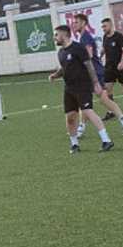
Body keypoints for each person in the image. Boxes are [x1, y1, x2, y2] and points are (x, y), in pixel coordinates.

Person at [49, 25, 115, 153]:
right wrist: (55, 75)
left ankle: (106, 140)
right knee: (70, 117)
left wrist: (95, 83)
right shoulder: (61, 52)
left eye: (56, 35)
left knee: (88, 111)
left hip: (83, 86)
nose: (54, 37)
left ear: (64, 35)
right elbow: (64, 68)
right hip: (69, 88)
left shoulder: (78, 48)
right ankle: (74, 145)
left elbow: (89, 65)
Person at [73, 13, 123, 136]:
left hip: (94, 73)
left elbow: (88, 55)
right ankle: (82, 127)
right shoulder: (83, 37)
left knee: (97, 100)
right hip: (93, 73)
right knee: (89, 100)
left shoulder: (85, 37)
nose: (74, 24)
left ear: (84, 23)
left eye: (77, 22)